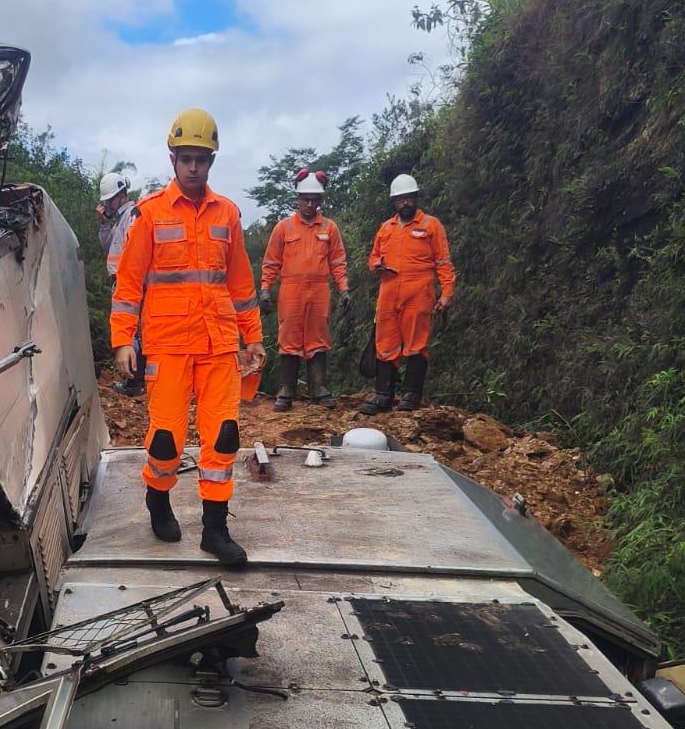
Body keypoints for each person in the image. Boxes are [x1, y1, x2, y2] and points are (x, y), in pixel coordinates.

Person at [111, 108, 265, 567]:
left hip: (218, 345)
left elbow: (240, 283)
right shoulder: (150, 214)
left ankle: (215, 530)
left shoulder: (228, 214)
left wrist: (252, 336)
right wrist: (123, 340)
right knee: (166, 440)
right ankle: (158, 501)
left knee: (223, 437)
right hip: (168, 344)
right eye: (186, 158)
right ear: (173, 159)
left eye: (202, 158)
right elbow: (128, 283)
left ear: (212, 161)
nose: (194, 166)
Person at [359, 173, 456, 414]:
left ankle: (411, 396)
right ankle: (383, 395)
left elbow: (443, 262)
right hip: (389, 290)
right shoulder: (386, 228)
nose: (405, 203)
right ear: (394, 202)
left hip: (419, 289)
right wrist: (376, 266)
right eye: (401, 199)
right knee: (385, 342)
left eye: (409, 198)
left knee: (416, 343)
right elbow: (372, 258)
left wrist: (446, 294)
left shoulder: (431, 225)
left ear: (415, 198)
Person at [259, 168, 349, 410]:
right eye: (305, 199)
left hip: (319, 290)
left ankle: (319, 387)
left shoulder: (329, 228)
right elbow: (271, 262)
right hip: (291, 289)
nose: (310, 204)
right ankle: (286, 389)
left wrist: (344, 289)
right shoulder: (283, 228)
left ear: (320, 200)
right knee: (289, 336)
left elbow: (338, 262)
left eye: (314, 199)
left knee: (318, 337)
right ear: (297, 199)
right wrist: (266, 289)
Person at [97, 171, 143, 395]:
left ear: (121, 196)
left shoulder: (133, 216)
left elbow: (132, 253)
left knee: (130, 332)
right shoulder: (121, 220)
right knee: (131, 331)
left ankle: (135, 382)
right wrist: (104, 225)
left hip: (127, 281)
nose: (107, 205)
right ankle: (136, 380)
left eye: (109, 201)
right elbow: (109, 250)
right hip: (120, 281)